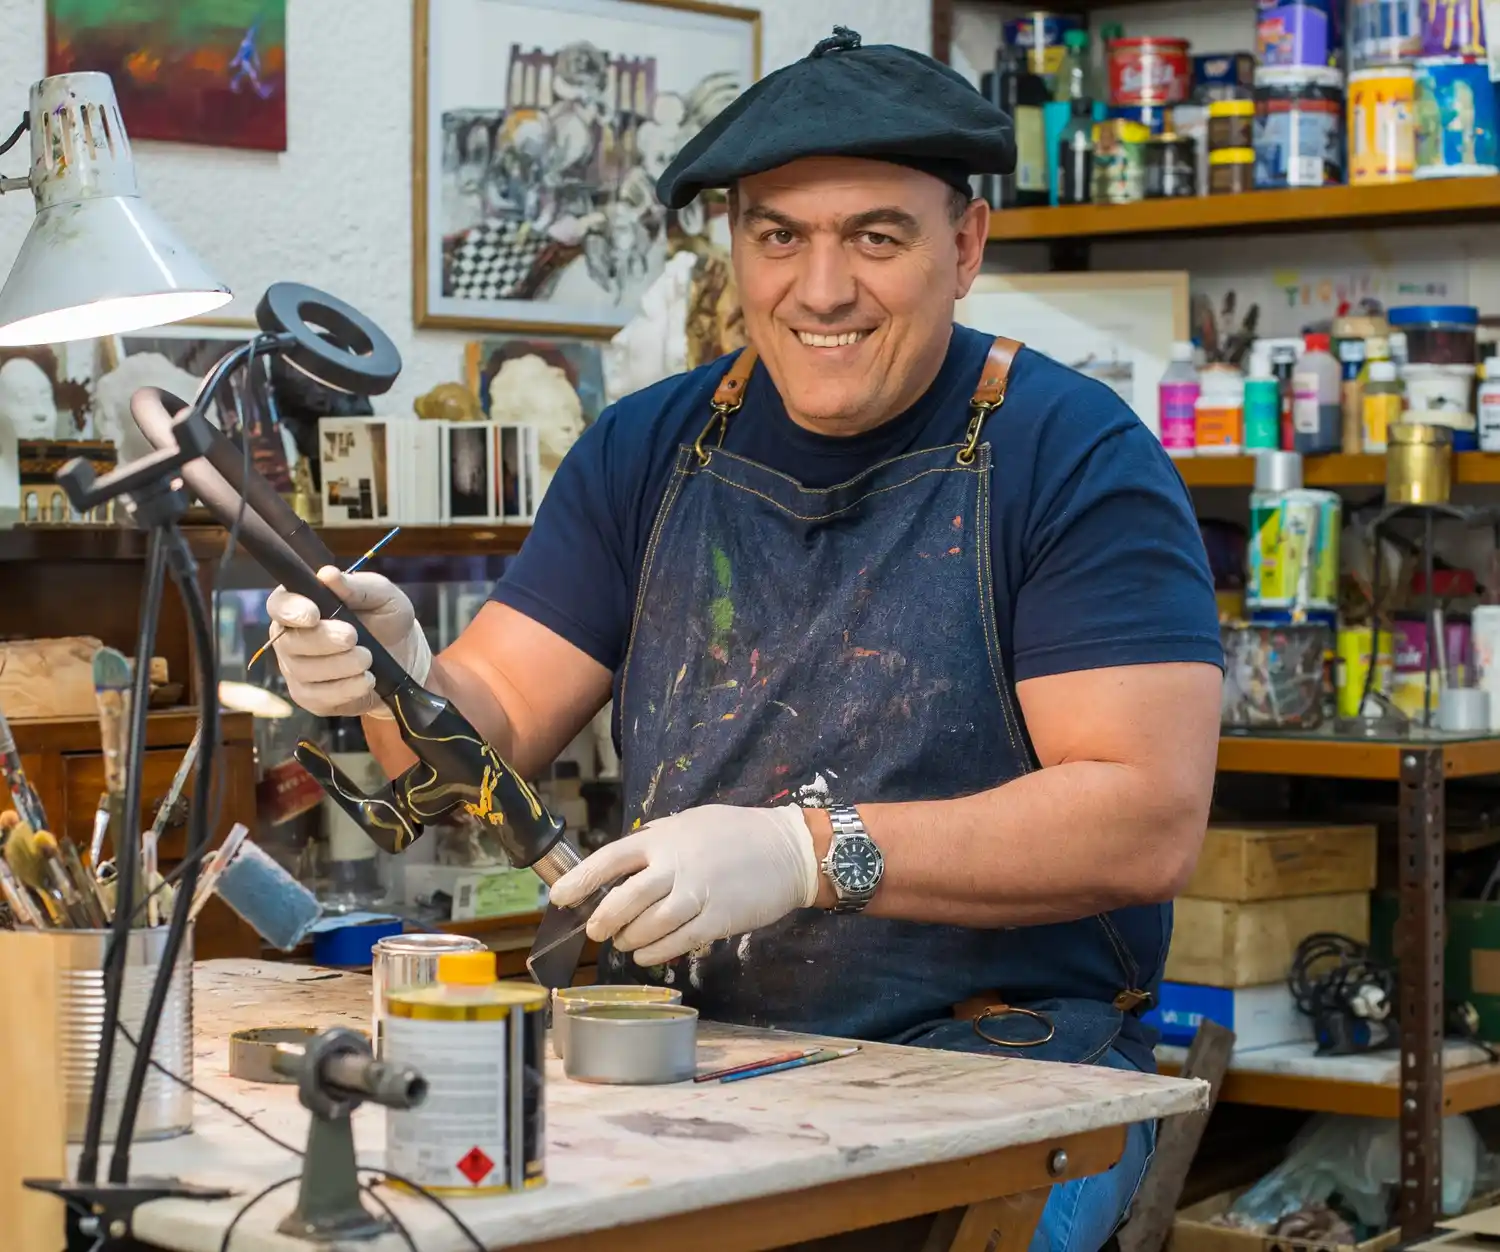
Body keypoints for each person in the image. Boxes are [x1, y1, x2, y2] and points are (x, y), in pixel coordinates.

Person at [267, 27, 1223, 1252]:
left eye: (875, 236)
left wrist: (810, 852)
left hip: (1003, 1067)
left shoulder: (1075, 456)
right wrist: (387, 675)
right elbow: (478, 729)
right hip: (695, 1051)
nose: (821, 289)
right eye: (779, 236)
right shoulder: (650, 448)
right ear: (735, 246)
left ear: (965, 246)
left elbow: (1144, 818)